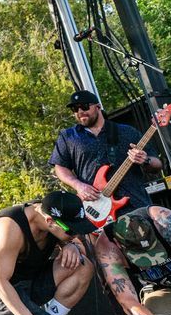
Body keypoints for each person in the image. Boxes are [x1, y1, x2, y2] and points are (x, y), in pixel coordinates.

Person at [49, 89, 161, 218]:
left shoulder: (127, 132)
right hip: (95, 209)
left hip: (135, 205)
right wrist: (79, 186)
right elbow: (60, 167)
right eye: (75, 109)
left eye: (84, 107)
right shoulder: (68, 136)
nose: (80, 112)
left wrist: (145, 160)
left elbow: (157, 164)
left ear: (98, 107)